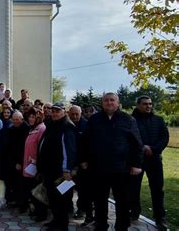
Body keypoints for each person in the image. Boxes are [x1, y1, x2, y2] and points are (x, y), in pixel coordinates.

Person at [81, 92, 143, 231]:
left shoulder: (128, 119)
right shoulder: (94, 119)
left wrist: (136, 164)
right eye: (106, 100)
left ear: (118, 102)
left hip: (121, 168)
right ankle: (101, 225)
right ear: (102, 103)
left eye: (112, 100)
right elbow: (85, 141)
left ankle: (122, 226)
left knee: (122, 200)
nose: (109, 103)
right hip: (98, 168)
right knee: (100, 200)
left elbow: (137, 144)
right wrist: (84, 159)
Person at [129, 96, 169, 229]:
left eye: (150, 104)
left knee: (157, 190)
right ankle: (134, 212)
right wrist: (142, 148)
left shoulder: (158, 120)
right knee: (133, 189)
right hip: (136, 161)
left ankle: (160, 217)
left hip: (154, 160)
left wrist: (153, 149)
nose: (148, 106)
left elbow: (164, 137)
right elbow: (128, 139)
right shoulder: (130, 120)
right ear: (138, 105)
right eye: (145, 104)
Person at [37, 102, 76, 231]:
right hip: (49, 170)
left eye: (57, 111)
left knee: (62, 199)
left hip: (62, 173)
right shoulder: (51, 125)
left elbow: (68, 151)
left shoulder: (67, 127)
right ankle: (55, 221)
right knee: (53, 197)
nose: (54, 113)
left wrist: (67, 170)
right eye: (53, 111)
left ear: (64, 112)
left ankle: (62, 225)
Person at [68, 105, 93, 225]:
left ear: (81, 113)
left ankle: (84, 212)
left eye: (77, 114)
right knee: (65, 187)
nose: (74, 116)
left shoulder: (86, 125)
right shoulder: (67, 125)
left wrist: (84, 161)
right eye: (72, 114)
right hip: (69, 165)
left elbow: (88, 146)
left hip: (83, 165)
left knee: (83, 191)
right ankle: (68, 208)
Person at [21, 107, 47, 220]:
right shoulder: (32, 129)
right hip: (29, 166)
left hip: (36, 166)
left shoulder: (41, 128)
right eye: (29, 117)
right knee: (32, 190)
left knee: (38, 191)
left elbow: (42, 148)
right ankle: (35, 210)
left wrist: (37, 162)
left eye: (33, 117)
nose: (31, 119)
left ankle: (41, 214)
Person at [5, 110, 29, 209]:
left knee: (21, 184)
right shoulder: (11, 129)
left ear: (22, 119)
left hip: (22, 161)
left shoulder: (26, 128)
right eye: (14, 120)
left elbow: (24, 147)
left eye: (17, 120)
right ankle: (16, 200)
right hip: (12, 160)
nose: (15, 121)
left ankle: (22, 203)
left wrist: (19, 162)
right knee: (14, 182)